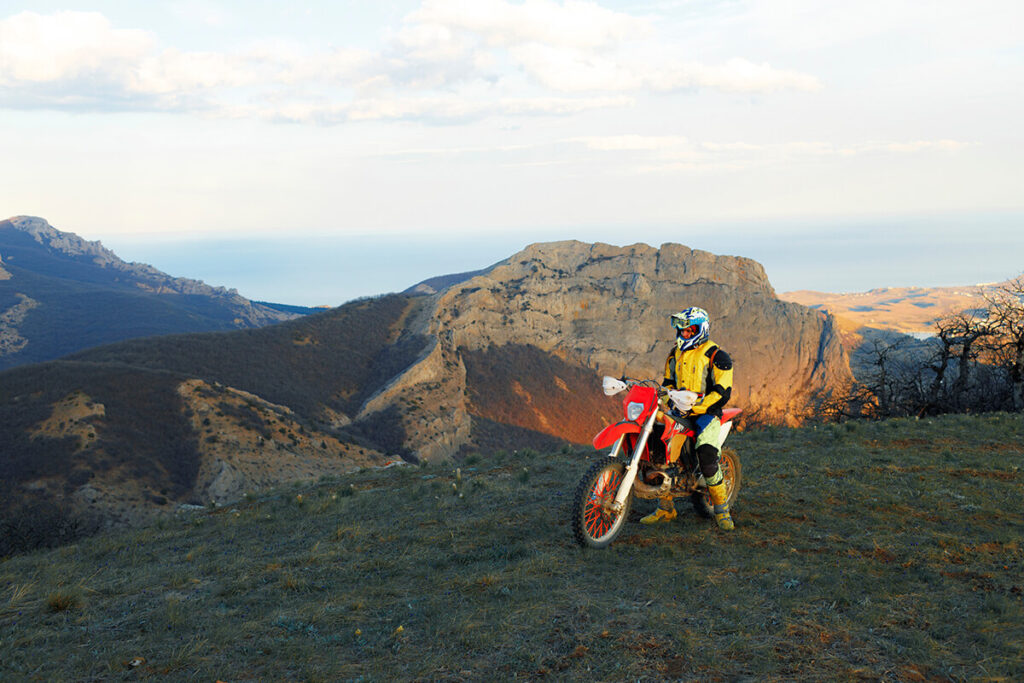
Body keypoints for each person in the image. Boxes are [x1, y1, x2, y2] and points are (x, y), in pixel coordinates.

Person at [640, 306, 735, 530]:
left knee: (707, 454)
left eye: (689, 330)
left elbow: (723, 392)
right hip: (678, 411)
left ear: (701, 330)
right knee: (656, 449)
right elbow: (668, 383)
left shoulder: (718, 356)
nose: (684, 334)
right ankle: (665, 508)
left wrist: (697, 405)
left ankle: (722, 510)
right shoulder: (674, 354)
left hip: (707, 414)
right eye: (682, 330)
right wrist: (663, 396)